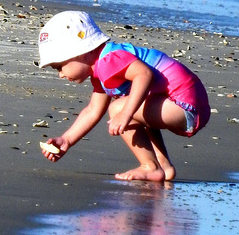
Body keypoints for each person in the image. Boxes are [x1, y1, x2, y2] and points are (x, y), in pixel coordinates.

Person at [37, 11, 210, 182]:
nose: (60, 74)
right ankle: (163, 165)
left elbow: (144, 74)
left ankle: (150, 167)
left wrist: (125, 114)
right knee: (133, 101)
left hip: (184, 107)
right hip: (184, 105)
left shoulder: (109, 61)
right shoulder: (101, 71)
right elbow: (93, 110)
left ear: (79, 52)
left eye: (59, 67)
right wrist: (66, 140)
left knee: (118, 107)